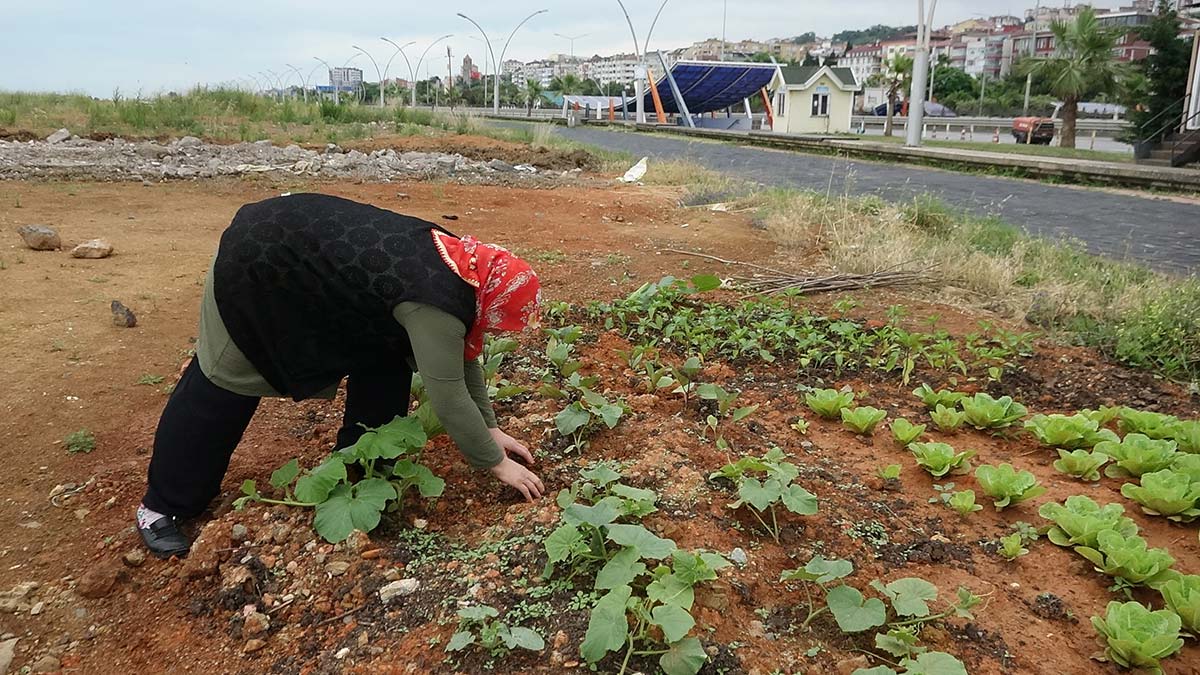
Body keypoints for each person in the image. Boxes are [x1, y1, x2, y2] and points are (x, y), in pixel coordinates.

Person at [136, 193, 545, 558]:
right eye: (499, 321)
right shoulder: (433, 303)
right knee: (228, 378)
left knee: (386, 357)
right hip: (262, 263)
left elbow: (459, 356)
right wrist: (495, 463)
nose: (494, 329)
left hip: (328, 278)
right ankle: (163, 505)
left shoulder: (469, 270)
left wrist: (489, 428)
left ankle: (362, 472)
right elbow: (449, 394)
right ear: (494, 301)